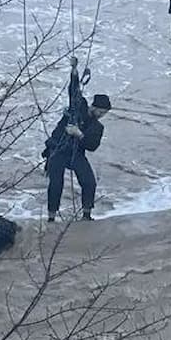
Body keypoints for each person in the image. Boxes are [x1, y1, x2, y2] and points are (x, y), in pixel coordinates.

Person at [42, 61, 111, 222]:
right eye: (100, 112)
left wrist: (79, 134)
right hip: (58, 149)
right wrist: (74, 70)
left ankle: (86, 215)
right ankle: (51, 217)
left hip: (76, 154)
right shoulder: (79, 106)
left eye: (104, 113)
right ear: (94, 107)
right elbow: (74, 90)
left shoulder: (97, 127)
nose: (101, 115)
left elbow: (92, 146)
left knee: (89, 182)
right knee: (56, 184)